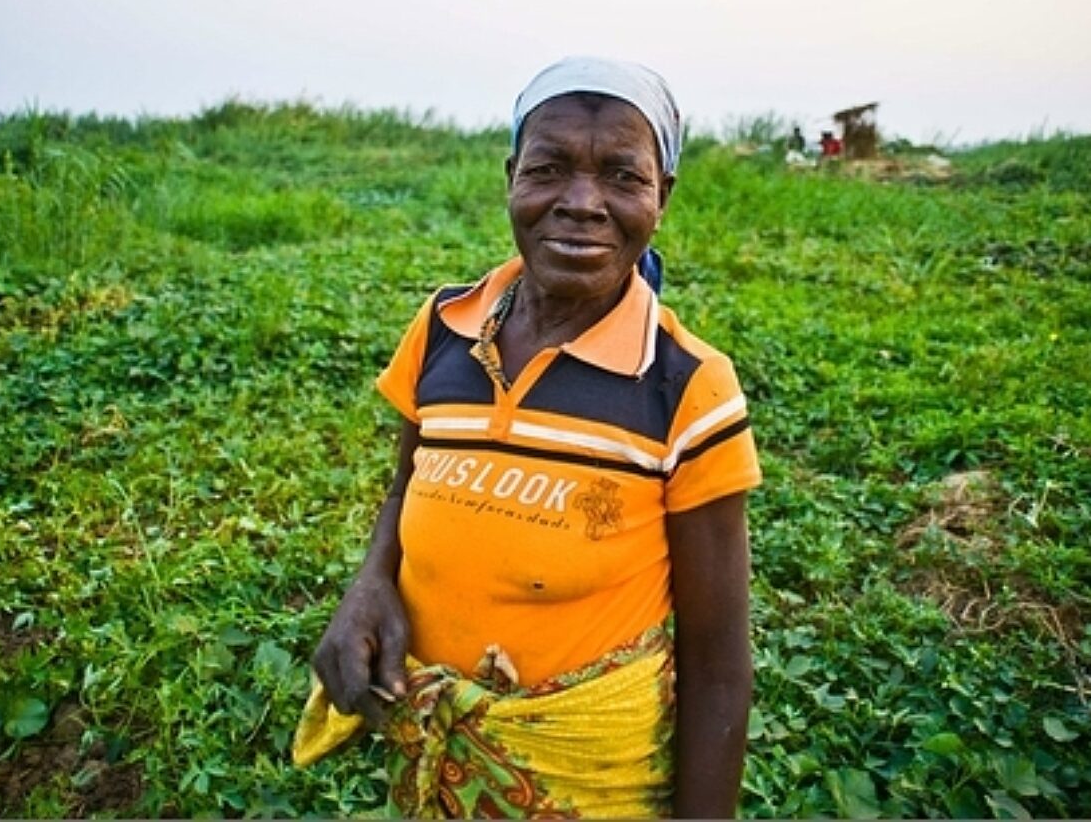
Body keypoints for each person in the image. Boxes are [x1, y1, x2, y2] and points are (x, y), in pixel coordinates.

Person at [294, 56, 762, 818]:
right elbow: (409, 483)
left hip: (587, 776)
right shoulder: (444, 326)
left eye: (622, 176)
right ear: (511, 176)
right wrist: (371, 581)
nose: (582, 203)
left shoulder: (687, 385)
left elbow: (716, 663)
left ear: (662, 196)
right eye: (549, 168)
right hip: (442, 761)